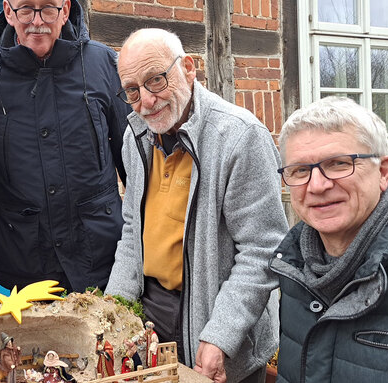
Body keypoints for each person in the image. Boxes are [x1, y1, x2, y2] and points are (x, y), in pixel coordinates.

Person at [104, 28, 288, 383]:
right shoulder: (136, 135)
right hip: (151, 312)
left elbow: (262, 251)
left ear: (188, 68)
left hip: (215, 316)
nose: (146, 101)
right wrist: (115, 312)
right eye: (132, 90)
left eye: (156, 80)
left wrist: (220, 335)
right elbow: (133, 234)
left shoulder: (240, 136)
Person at [0, 0, 131, 293]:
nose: (36, 21)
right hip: (27, 263)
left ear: (65, 10)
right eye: (26, 8)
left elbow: (134, 160)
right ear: (8, 11)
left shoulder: (103, 64)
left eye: (48, 8)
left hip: (104, 257)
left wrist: (141, 243)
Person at [270, 96, 388, 382]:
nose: (317, 185)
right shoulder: (293, 266)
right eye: (300, 170)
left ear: (383, 172)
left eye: (338, 164)